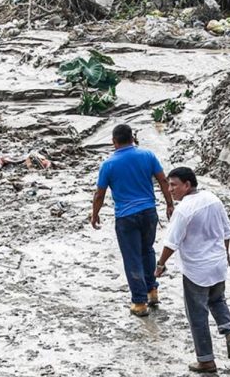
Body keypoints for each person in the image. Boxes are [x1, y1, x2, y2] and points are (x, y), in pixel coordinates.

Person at [154, 167, 230, 374]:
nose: (170, 189)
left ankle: (206, 361)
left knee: (197, 314)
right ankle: (229, 332)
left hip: (196, 269)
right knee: (218, 300)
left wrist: (160, 264)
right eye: (168, 184)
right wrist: (226, 253)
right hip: (217, 263)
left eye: (174, 185)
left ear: (187, 185)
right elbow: (227, 230)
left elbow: (171, 242)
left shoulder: (183, 210)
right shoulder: (213, 199)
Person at [91, 124, 173, 317]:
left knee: (132, 257)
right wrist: (170, 204)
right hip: (149, 212)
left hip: (126, 216)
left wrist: (95, 214)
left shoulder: (108, 164)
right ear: (133, 138)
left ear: (114, 142)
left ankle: (139, 302)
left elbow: (99, 194)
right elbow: (163, 180)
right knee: (147, 250)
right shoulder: (148, 156)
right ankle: (152, 292)